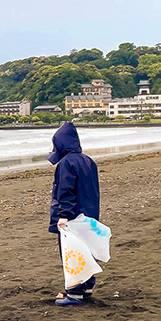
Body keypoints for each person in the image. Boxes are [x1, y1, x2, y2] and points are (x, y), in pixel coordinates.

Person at [48, 122, 101, 306]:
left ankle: (75, 293)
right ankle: (87, 287)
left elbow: (66, 192)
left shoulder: (66, 164)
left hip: (72, 217)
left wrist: (63, 216)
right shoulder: (88, 160)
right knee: (86, 251)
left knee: (72, 254)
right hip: (89, 216)